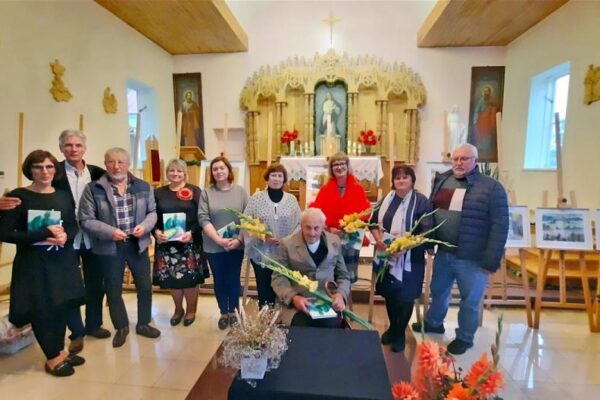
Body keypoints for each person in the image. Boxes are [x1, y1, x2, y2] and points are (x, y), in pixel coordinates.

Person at [0, 130, 110, 354]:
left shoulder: (98, 173)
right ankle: (74, 333)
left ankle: (92, 325)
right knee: (62, 290)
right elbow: (25, 204)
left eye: (78, 145)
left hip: (88, 236)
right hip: (50, 249)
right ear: (61, 148)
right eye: (68, 145)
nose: (73, 149)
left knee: (91, 284)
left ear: (84, 148)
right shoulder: (52, 173)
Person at [412, 143, 508, 355]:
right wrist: (429, 241)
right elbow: (432, 213)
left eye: (464, 159)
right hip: (445, 252)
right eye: (455, 158)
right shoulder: (444, 179)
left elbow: (500, 226)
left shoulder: (491, 188)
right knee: (439, 290)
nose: (458, 163)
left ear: (476, 161)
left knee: (470, 301)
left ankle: (465, 337)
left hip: (472, 257)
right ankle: (434, 323)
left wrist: (490, 261)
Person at [0, 150, 85, 377]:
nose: (44, 172)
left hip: (61, 260)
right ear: (30, 170)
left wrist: (66, 235)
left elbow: (72, 224)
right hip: (33, 264)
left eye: (49, 167)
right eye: (38, 167)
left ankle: (59, 349)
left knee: (60, 305)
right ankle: (52, 356)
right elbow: (5, 233)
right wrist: (42, 233)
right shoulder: (18, 197)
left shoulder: (64, 195)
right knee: (42, 309)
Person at [78, 147, 160, 348]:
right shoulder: (93, 189)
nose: (116, 166)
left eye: (121, 162)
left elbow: (153, 212)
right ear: (105, 164)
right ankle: (121, 326)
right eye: (111, 162)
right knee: (113, 289)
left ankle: (143, 323)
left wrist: (145, 226)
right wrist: (110, 232)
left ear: (128, 163)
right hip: (109, 246)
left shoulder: (143, 186)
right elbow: (85, 219)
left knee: (144, 286)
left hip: (137, 244)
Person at [369, 165, 433, 352]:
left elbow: (426, 230)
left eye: (405, 177)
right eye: (397, 177)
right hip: (386, 255)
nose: (401, 180)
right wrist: (379, 239)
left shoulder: (421, 201)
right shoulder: (386, 200)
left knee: (405, 296)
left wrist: (404, 247)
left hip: (410, 258)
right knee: (390, 293)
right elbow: (372, 222)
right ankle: (393, 327)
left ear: (412, 180)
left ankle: (399, 334)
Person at [272, 207, 350, 328]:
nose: (312, 233)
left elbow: (343, 275)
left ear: (323, 226)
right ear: (301, 226)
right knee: (302, 327)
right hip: (298, 303)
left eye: (316, 228)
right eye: (308, 227)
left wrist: (340, 295)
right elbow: (278, 277)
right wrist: (294, 297)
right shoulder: (286, 244)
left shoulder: (334, 241)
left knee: (330, 326)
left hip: (328, 302)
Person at [153, 159, 205, 327]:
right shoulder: (158, 192)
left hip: (189, 243)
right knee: (172, 280)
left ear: (185, 173)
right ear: (167, 173)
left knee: (189, 280)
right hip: (166, 244)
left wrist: (192, 233)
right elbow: (151, 215)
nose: (175, 174)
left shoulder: (195, 191)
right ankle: (178, 310)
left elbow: (203, 216)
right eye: (172, 170)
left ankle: (191, 310)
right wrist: (155, 231)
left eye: (179, 171)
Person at [198, 156, 248, 330]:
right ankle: (223, 312)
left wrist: (239, 239)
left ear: (228, 170)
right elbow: (203, 218)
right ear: (212, 173)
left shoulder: (241, 192)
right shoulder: (206, 193)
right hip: (214, 245)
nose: (219, 171)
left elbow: (246, 219)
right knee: (219, 280)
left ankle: (234, 311)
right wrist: (218, 240)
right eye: (215, 169)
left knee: (233, 279)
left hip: (236, 245)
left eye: (222, 168)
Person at [244, 163, 301, 308]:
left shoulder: (291, 200)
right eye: (273, 175)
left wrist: (285, 240)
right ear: (267, 178)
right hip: (262, 252)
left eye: (280, 176)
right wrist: (262, 236)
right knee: (264, 289)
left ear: (284, 179)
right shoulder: (256, 199)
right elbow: (246, 222)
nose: (276, 179)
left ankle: (283, 319)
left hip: (285, 253)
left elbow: (298, 225)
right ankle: (266, 319)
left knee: (284, 287)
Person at [311, 152, 371, 283]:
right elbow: (316, 216)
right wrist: (328, 229)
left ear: (347, 165)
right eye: (335, 164)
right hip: (330, 238)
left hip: (350, 239)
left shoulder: (358, 189)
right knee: (330, 277)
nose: (339, 167)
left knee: (347, 278)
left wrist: (352, 227)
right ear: (331, 169)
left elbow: (365, 214)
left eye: (342, 163)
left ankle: (345, 301)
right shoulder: (325, 190)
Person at [470, 85, 499, 160]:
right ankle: (481, 148)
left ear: (490, 93)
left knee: (488, 137)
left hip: (489, 123)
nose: (486, 93)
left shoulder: (492, 101)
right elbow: (477, 110)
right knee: (481, 135)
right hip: (482, 122)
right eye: (485, 91)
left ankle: (486, 149)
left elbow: (495, 110)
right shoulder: (481, 100)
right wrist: (475, 119)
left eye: (487, 91)